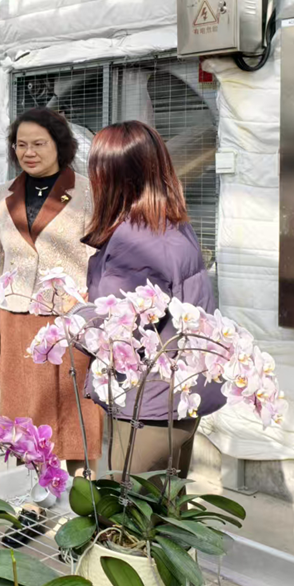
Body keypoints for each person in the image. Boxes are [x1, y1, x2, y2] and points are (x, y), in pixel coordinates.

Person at [82, 120, 223, 478]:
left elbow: (119, 331)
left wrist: (71, 317)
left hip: (149, 399)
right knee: (168, 501)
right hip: (182, 391)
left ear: (109, 175)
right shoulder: (172, 223)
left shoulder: (134, 240)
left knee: (128, 502)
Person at [0, 109, 101, 475]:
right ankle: (27, 490)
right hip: (16, 319)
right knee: (23, 411)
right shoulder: (2, 195)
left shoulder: (89, 192)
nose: (28, 152)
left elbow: (101, 256)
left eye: (39, 144)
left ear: (60, 146)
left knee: (75, 412)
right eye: (21, 144)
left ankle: (83, 489)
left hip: (70, 320)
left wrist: (91, 309)